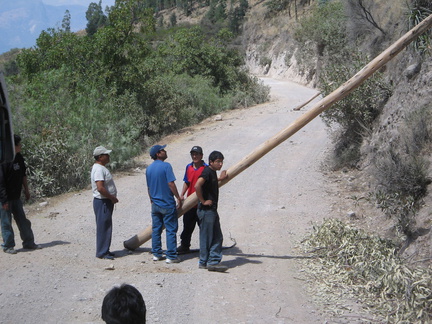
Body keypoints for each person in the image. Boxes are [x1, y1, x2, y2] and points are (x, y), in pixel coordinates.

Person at [0, 134, 40, 254]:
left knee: (22, 220)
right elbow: (0, 182)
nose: (20, 146)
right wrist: (4, 200)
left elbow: (23, 175)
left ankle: (29, 242)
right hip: (5, 199)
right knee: (6, 222)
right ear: (13, 146)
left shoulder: (19, 158)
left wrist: (26, 190)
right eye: (19, 144)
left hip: (16, 197)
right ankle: (8, 245)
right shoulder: (3, 160)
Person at [146, 144, 182, 264]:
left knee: (156, 229)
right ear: (158, 154)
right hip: (167, 203)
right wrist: (178, 197)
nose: (165, 151)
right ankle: (171, 256)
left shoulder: (149, 169)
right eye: (163, 150)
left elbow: (149, 187)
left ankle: (156, 253)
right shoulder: (166, 166)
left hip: (155, 204)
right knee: (171, 229)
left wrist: (151, 199)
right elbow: (171, 184)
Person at [195, 150, 229, 272]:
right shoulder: (207, 172)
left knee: (213, 237)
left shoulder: (212, 172)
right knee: (212, 237)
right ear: (211, 162)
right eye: (218, 162)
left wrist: (220, 179)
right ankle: (211, 262)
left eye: (221, 162)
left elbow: (209, 184)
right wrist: (203, 201)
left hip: (211, 211)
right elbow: (197, 185)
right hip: (207, 210)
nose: (220, 164)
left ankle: (206, 261)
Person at [177, 146, 207, 254]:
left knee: (204, 227)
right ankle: (185, 246)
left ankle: (206, 248)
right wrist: (181, 195)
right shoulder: (189, 167)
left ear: (201, 156)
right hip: (190, 203)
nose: (194, 156)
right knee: (187, 226)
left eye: (197, 154)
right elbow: (187, 181)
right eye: (193, 154)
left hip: (201, 203)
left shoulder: (206, 168)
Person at [91, 146, 119, 260]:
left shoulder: (101, 168)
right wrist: (111, 197)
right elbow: (100, 188)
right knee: (103, 226)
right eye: (106, 155)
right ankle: (102, 252)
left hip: (104, 201)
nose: (108, 156)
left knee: (106, 225)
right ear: (100, 157)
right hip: (102, 201)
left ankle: (105, 250)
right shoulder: (99, 169)